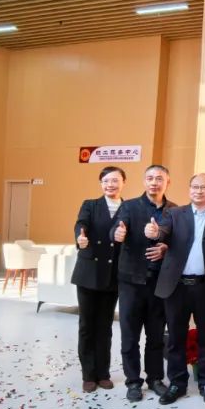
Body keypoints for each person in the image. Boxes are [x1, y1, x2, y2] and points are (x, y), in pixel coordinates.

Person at [155, 173, 205, 406]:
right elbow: (163, 232)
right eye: (195, 186)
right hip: (177, 287)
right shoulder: (174, 213)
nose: (199, 191)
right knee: (175, 338)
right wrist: (155, 233)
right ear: (189, 189)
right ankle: (177, 383)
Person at [113, 165, 177, 402]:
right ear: (144, 181)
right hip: (131, 281)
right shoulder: (129, 206)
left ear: (167, 182)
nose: (154, 182)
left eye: (159, 178)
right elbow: (117, 228)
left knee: (156, 335)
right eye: (150, 178)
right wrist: (117, 234)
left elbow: (180, 242)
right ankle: (133, 381)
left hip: (160, 283)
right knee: (130, 335)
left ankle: (155, 378)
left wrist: (166, 247)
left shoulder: (175, 210)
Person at [71, 166, 126, 393]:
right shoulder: (90, 205)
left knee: (105, 326)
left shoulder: (128, 207)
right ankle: (88, 374)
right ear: (101, 184)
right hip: (89, 273)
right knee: (87, 325)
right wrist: (80, 237)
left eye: (115, 180)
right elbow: (81, 224)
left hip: (113, 274)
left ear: (123, 182)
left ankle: (103, 373)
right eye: (106, 181)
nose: (110, 184)